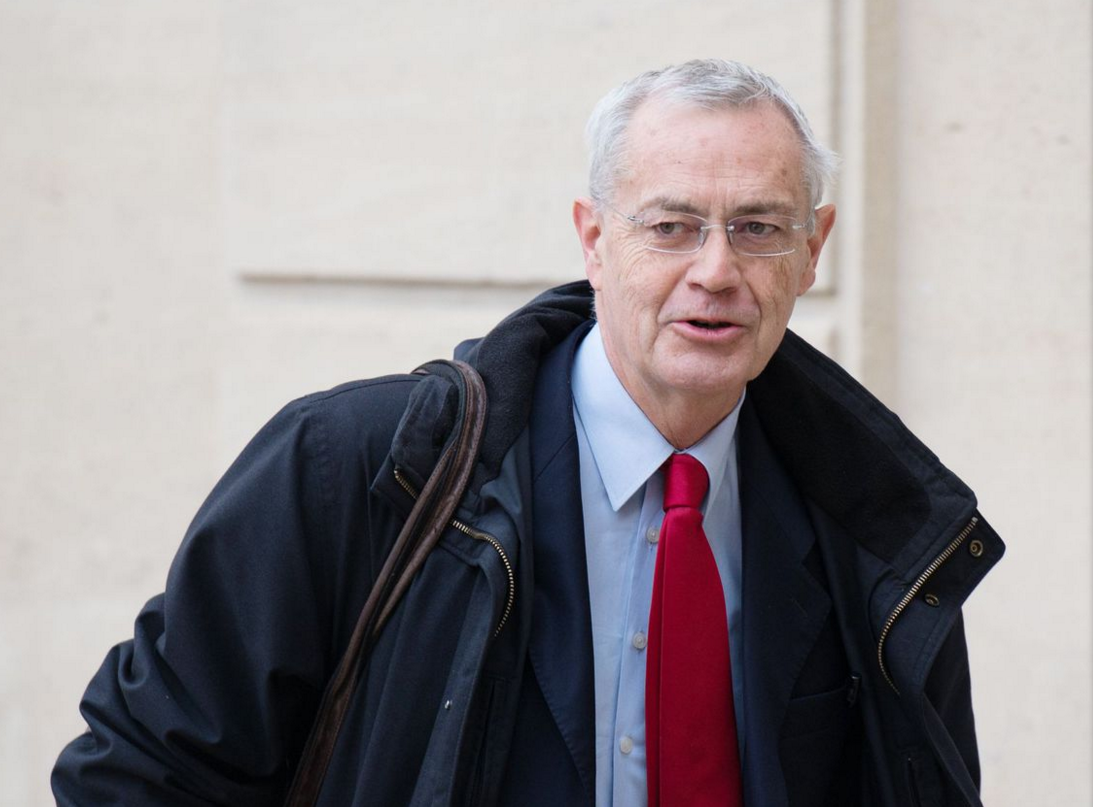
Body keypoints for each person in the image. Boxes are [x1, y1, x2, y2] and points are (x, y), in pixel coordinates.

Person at [53, 59, 1002, 807]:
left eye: (758, 228)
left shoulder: (879, 522)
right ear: (593, 238)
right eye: (671, 226)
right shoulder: (355, 467)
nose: (716, 270)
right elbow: (137, 776)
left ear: (813, 250)